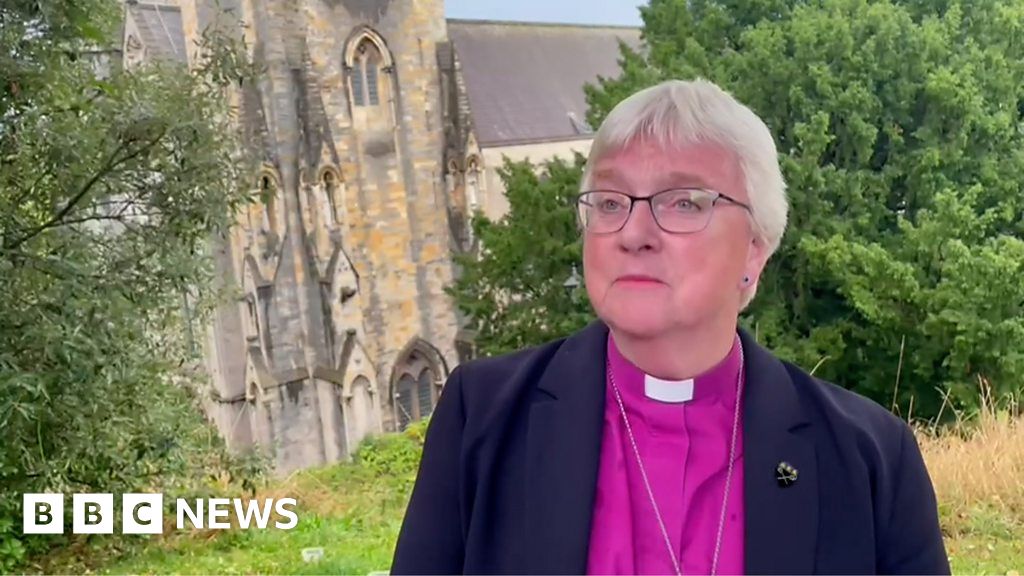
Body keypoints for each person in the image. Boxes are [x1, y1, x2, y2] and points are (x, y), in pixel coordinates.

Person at [390, 79, 950, 575]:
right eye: (610, 202)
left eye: (682, 202)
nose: (633, 232)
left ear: (755, 248)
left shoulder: (870, 457)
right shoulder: (482, 416)